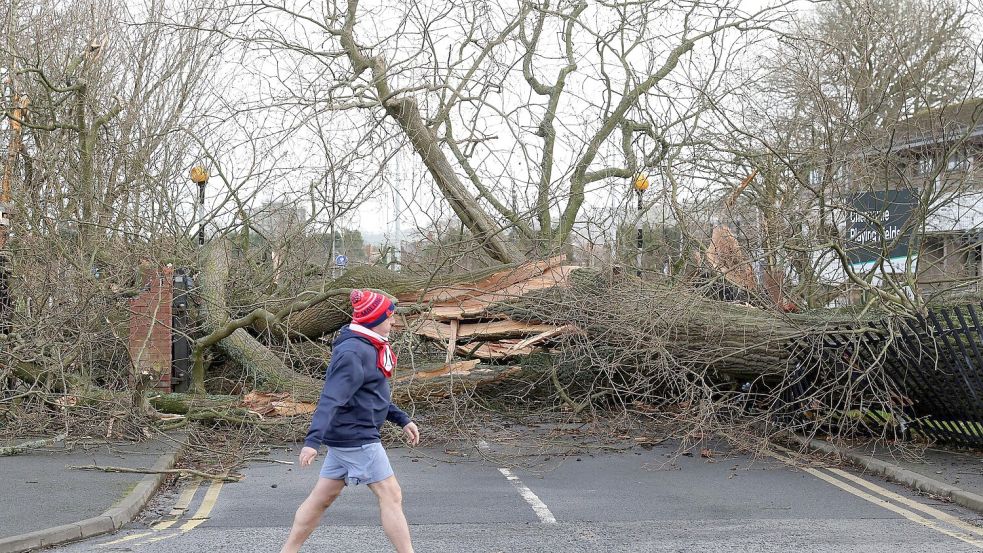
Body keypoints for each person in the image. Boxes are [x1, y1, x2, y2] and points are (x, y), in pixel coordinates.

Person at [280, 289, 420, 553]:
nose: (394, 322)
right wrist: (312, 442)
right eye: (389, 316)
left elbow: (370, 396)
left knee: (321, 499)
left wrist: (402, 419)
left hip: (347, 437)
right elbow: (331, 398)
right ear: (373, 319)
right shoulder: (354, 352)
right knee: (391, 496)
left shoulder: (368, 345)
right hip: (357, 438)